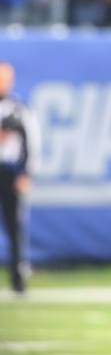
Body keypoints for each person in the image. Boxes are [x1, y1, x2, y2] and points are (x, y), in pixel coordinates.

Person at [0, 62, 39, 293]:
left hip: (10, 172)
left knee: (15, 227)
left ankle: (18, 278)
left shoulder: (18, 107)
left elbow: (32, 142)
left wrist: (25, 173)